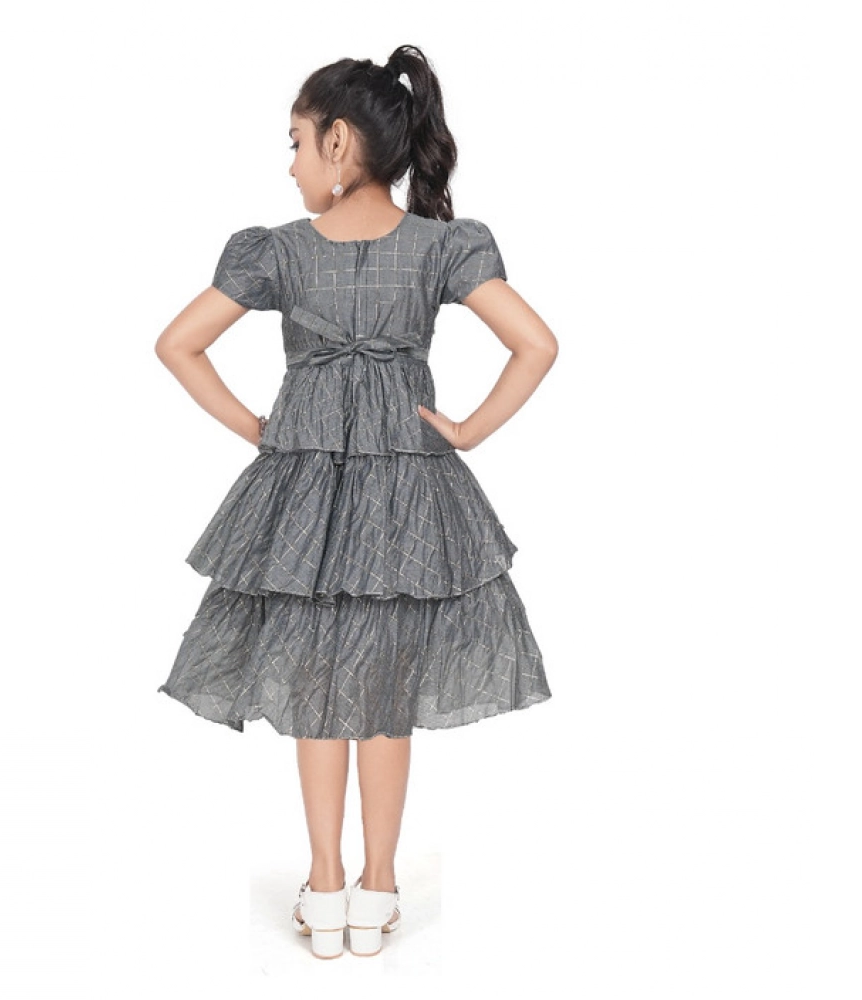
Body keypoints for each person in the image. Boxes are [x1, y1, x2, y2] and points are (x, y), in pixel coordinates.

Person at [154, 44, 558, 960]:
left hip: (304, 498)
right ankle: (378, 890)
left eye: (296, 141)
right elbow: (536, 343)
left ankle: (326, 884)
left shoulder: (281, 252)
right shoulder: (441, 246)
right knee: (384, 688)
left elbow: (177, 344)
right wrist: (467, 431)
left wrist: (260, 429)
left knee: (315, 682)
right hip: (409, 490)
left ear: (339, 143)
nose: (291, 163)